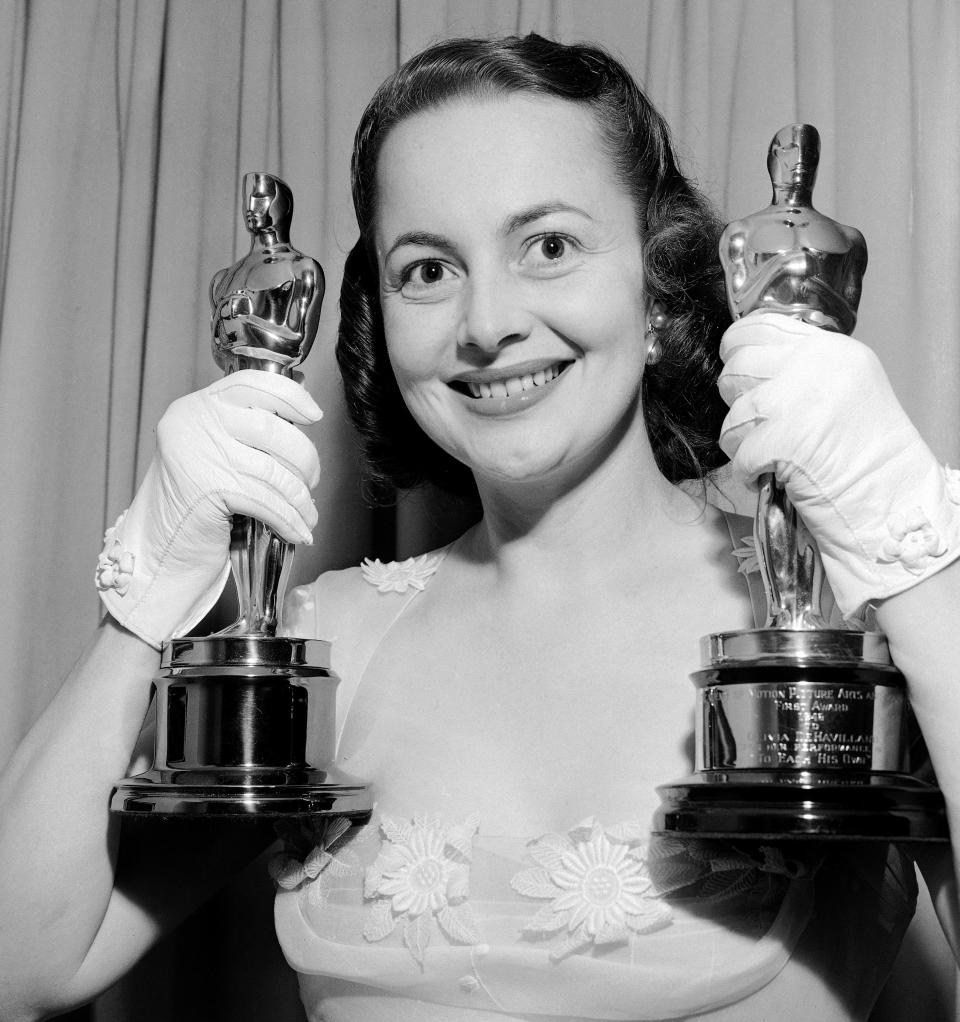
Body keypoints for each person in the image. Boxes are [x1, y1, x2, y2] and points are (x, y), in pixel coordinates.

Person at [2, 33, 960, 1022]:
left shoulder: (847, 624)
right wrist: (146, 599)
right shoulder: (328, 639)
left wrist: (916, 553)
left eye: (549, 245)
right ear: (380, 313)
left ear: (661, 282)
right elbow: (22, 962)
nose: (485, 321)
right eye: (428, 268)